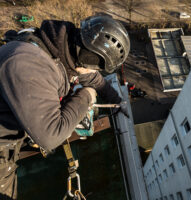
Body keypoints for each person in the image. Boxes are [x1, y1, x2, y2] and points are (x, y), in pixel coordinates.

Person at [0, 15, 130, 199]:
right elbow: (51, 135)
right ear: (87, 57)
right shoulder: (27, 64)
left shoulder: (59, 50)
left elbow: (93, 79)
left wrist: (118, 100)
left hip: (8, 146)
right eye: (97, 67)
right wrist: (86, 96)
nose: (95, 73)